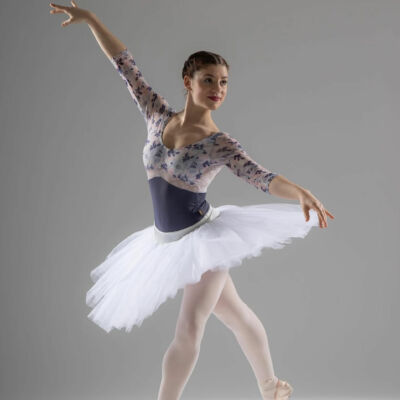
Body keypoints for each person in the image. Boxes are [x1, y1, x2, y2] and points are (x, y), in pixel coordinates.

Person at [50, 2, 334, 399]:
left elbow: (262, 177)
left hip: (203, 239)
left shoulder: (221, 143)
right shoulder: (156, 115)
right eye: (208, 80)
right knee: (234, 313)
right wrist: (93, 20)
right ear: (188, 81)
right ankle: (271, 387)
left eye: (224, 82)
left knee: (189, 329)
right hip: (165, 242)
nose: (218, 89)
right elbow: (125, 65)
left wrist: (301, 192)